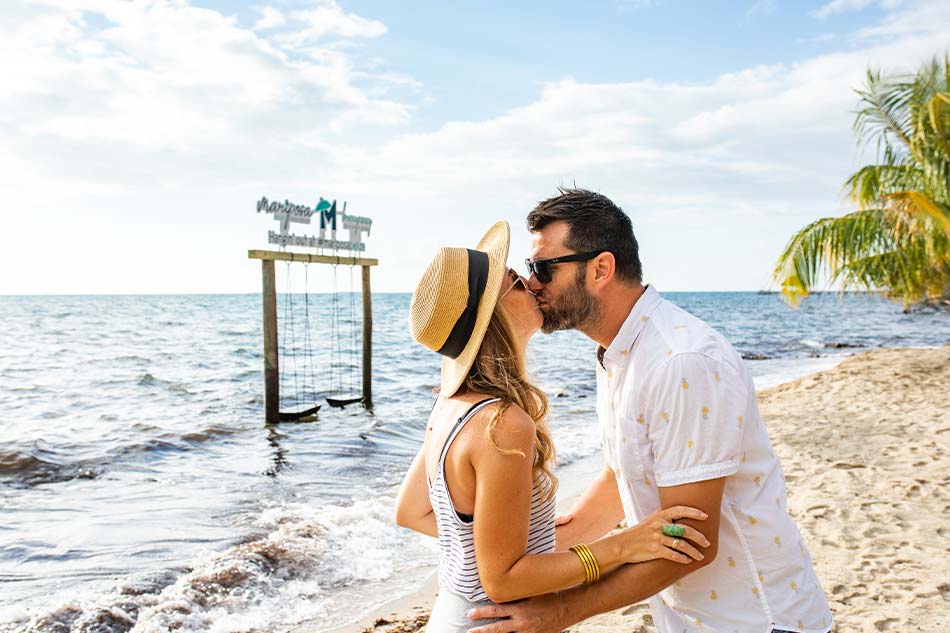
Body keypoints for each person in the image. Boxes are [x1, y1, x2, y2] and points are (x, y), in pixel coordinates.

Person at [467, 190, 833, 633]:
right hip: (690, 617)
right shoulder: (618, 352)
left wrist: (561, 611)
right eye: (530, 268)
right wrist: (531, 561)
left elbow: (693, 542)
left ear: (601, 268)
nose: (533, 284)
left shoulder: (680, 362)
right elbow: (621, 474)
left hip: (755, 618)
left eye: (544, 268)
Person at [394, 221, 711, 632]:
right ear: (493, 313)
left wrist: (515, 538)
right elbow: (503, 579)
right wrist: (622, 546)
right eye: (516, 281)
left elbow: (410, 511)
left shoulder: (451, 407)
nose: (531, 283)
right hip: (495, 620)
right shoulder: (502, 423)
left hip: (453, 613)